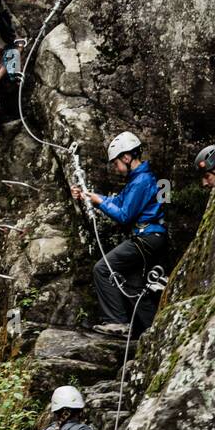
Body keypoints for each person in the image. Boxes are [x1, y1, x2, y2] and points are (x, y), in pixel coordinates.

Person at [70, 130, 167, 338]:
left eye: (116, 163)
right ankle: (153, 333)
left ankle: (117, 322)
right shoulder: (137, 179)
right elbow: (118, 201)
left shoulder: (142, 180)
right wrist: (91, 196)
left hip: (147, 238)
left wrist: (99, 202)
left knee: (102, 269)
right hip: (151, 238)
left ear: (126, 157)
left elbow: (124, 215)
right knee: (134, 287)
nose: (115, 168)